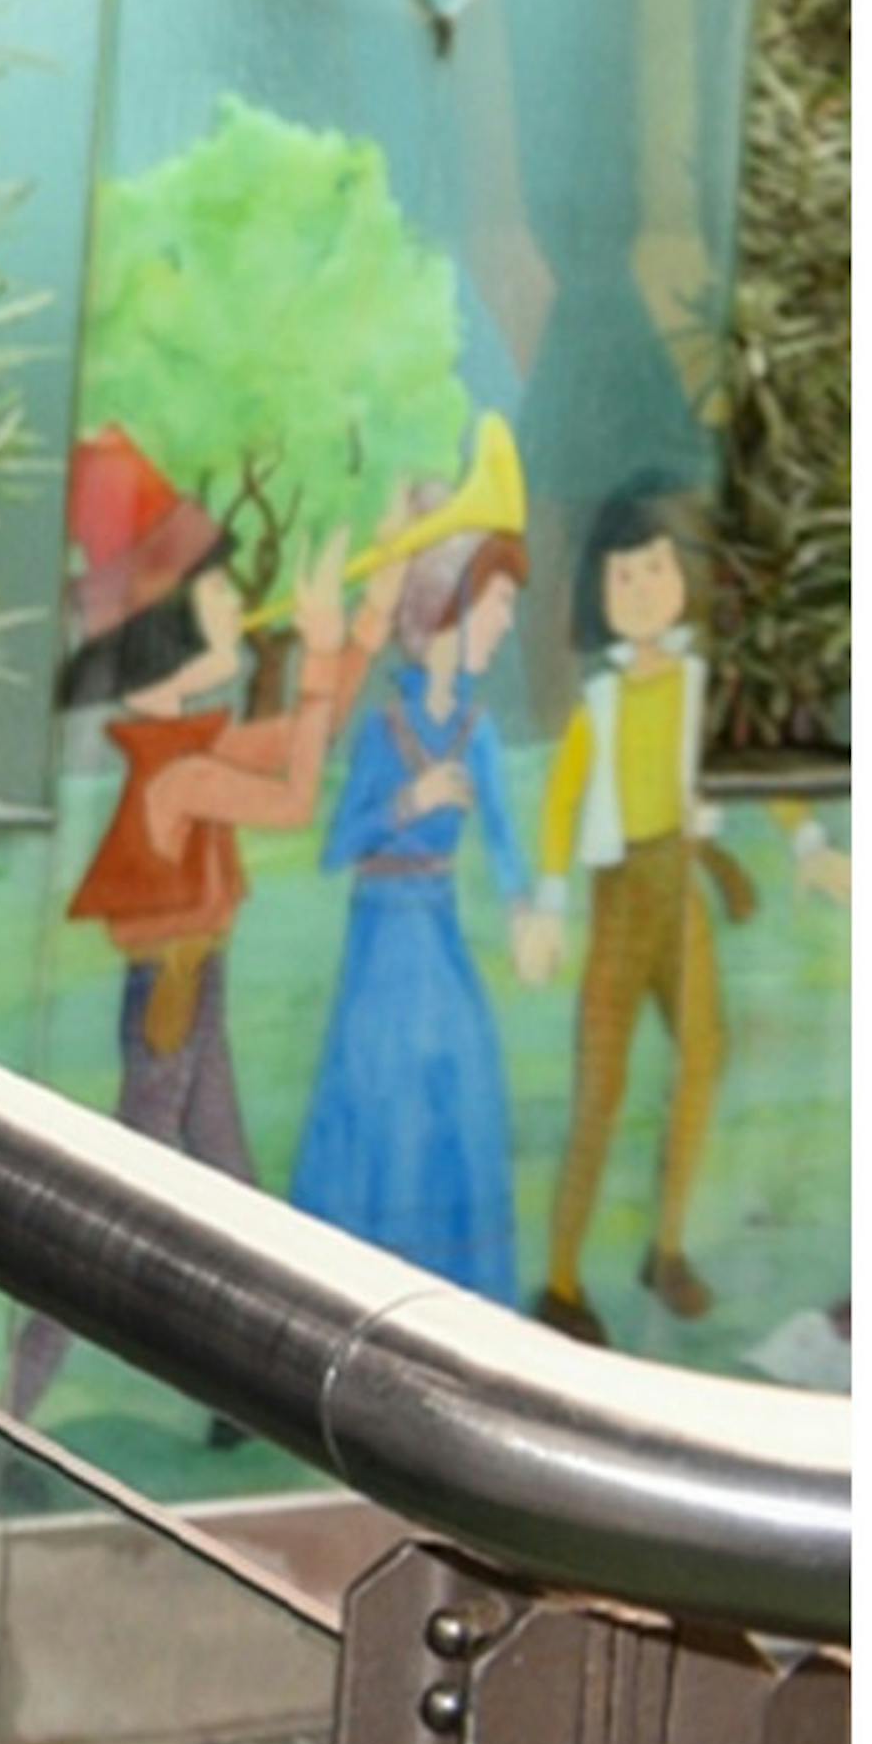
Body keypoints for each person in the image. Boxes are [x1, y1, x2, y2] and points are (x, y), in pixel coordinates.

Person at [0, 556, 348, 1435]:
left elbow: (305, 741)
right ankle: (3, 1410)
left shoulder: (187, 746)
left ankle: (243, 1393)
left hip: (194, 983)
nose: (239, 610)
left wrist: (343, 644)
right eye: (222, 599)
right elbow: (296, 796)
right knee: (116, 1214)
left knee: (233, 1191)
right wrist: (325, 651)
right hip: (174, 994)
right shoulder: (178, 771)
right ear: (175, 648)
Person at [287, 525, 538, 1295]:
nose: (503, 625)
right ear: (446, 610)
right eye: (494, 605)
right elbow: (338, 845)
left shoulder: (476, 733)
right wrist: (409, 800)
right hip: (380, 947)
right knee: (378, 1112)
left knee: (457, 1097)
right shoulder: (385, 728)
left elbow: (501, 836)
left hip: (438, 939)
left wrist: (526, 909)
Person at [517, 486, 742, 1338]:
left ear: (682, 575)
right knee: (599, 1088)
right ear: (599, 592)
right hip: (618, 905)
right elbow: (562, 800)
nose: (643, 589)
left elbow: (741, 769)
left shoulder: (698, 687)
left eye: (656, 569)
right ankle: (564, 1283)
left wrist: (808, 850)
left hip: (679, 891)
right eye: (624, 575)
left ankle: (668, 1246)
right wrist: (547, 901)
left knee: (702, 1058)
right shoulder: (600, 706)